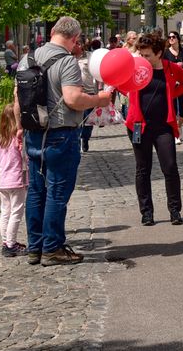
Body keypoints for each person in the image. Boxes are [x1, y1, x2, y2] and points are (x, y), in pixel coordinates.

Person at [17, 16, 112, 266]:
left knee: (36, 191)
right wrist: (99, 99)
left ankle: (35, 247)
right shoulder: (67, 61)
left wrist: (19, 129)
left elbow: (18, 99)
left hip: (33, 133)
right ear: (75, 38)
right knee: (57, 192)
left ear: (52, 32)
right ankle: (52, 248)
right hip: (60, 134)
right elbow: (73, 99)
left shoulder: (27, 58)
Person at [125, 33, 183, 226]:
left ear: (158, 53)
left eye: (147, 55)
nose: (143, 58)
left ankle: (175, 210)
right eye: (141, 54)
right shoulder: (136, 68)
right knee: (142, 169)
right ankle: (146, 212)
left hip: (163, 126)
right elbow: (120, 83)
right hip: (138, 126)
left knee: (170, 167)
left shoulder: (170, 68)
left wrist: (172, 93)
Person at [0, 102, 28, 257]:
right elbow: (25, 159)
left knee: (5, 212)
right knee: (16, 213)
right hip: (17, 181)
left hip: (3, 182)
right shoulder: (18, 140)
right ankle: (11, 244)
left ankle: (5, 241)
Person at [77, 37, 101, 154]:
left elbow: (98, 73)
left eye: (79, 43)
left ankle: (85, 138)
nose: (77, 45)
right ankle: (77, 140)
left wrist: (100, 89)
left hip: (89, 91)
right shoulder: (67, 57)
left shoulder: (90, 57)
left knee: (88, 120)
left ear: (83, 44)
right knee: (76, 120)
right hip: (74, 92)